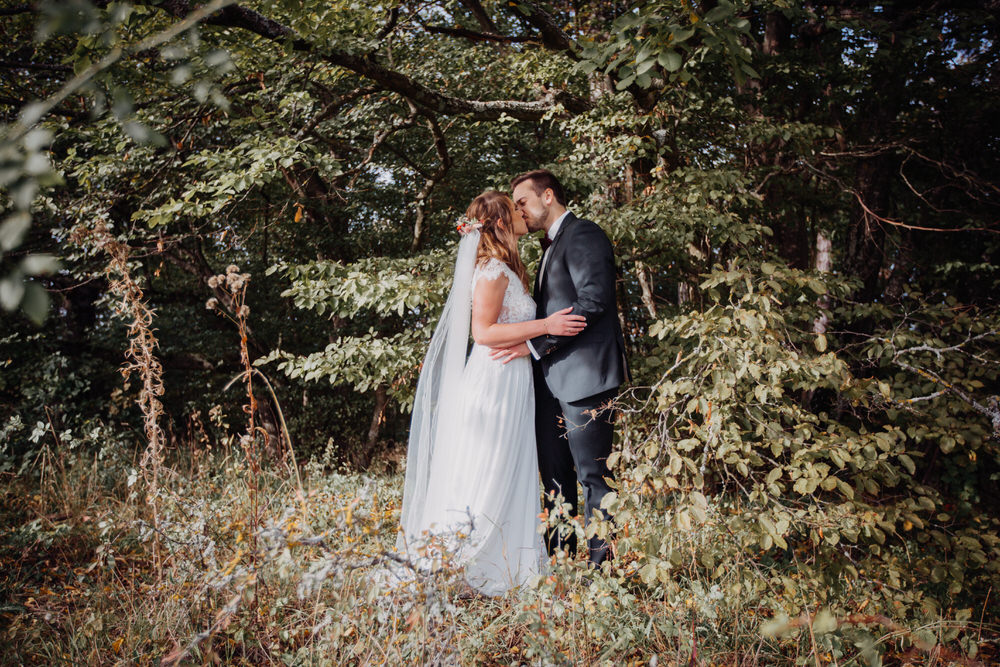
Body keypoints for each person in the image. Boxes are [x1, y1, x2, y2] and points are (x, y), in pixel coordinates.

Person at [397, 190, 586, 595]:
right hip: (495, 382)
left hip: (513, 378)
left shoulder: (507, 267)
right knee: (490, 464)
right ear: (501, 222)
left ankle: (507, 559)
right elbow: (482, 333)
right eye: (513, 208)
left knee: (510, 466)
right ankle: (463, 562)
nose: (521, 213)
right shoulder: (492, 270)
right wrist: (547, 325)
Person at [492, 170, 629, 567]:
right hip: (549, 383)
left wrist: (535, 344)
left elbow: (595, 300)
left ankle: (602, 574)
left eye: (521, 202)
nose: (518, 212)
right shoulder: (549, 248)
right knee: (554, 480)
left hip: (586, 379)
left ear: (547, 196)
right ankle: (561, 566)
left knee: (594, 479)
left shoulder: (584, 234)